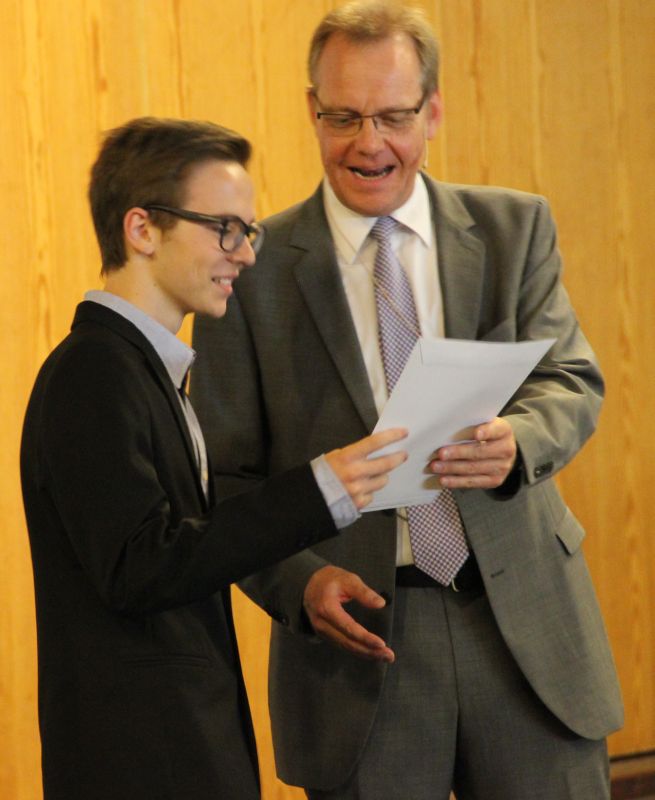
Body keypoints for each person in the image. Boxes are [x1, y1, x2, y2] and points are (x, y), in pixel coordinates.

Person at [190, 3, 624, 799]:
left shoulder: (512, 228)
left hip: (524, 623)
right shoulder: (249, 272)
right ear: (311, 111)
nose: (369, 143)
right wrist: (299, 584)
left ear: (432, 111)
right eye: (344, 117)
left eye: (393, 116)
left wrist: (518, 441)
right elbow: (224, 480)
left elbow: (569, 380)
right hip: (359, 647)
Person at [19, 116, 407, 800]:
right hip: (143, 764)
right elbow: (140, 568)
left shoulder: (143, 370)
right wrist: (318, 490)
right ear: (142, 230)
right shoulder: (94, 371)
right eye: (225, 229)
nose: (246, 254)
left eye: (249, 231)